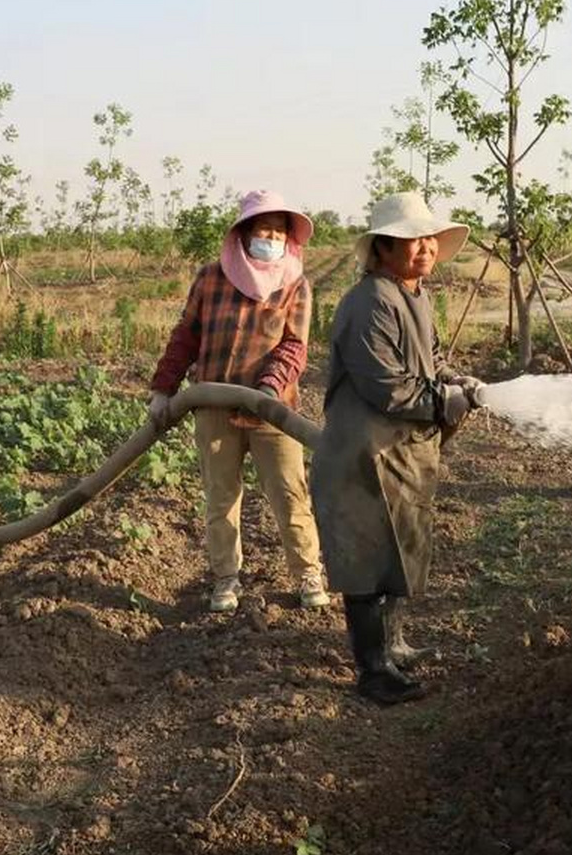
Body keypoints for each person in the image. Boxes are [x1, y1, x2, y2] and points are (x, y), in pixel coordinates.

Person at [310, 192, 481, 706]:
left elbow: (428, 361)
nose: (425, 247)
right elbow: (389, 386)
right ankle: (373, 669)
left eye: (429, 238)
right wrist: (445, 400)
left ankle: (394, 643)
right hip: (365, 454)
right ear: (382, 249)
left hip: (401, 451)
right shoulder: (369, 303)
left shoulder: (415, 294)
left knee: (397, 551)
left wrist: (453, 380)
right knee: (365, 558)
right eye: (411, 240)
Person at [149, 191, 329, 614]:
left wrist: (265, 391)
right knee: (220, 496)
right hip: (212, 405)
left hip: (273, 410)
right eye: (262, 230)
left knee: (289, 494)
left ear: (289, 240)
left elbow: (293, 348)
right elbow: (185, 336)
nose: (270, 238)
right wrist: (164, 389)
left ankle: (307, 572)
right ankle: (226, 579)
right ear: (243, 235)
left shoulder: (295, 285)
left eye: (278, 232)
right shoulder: (212, 278)